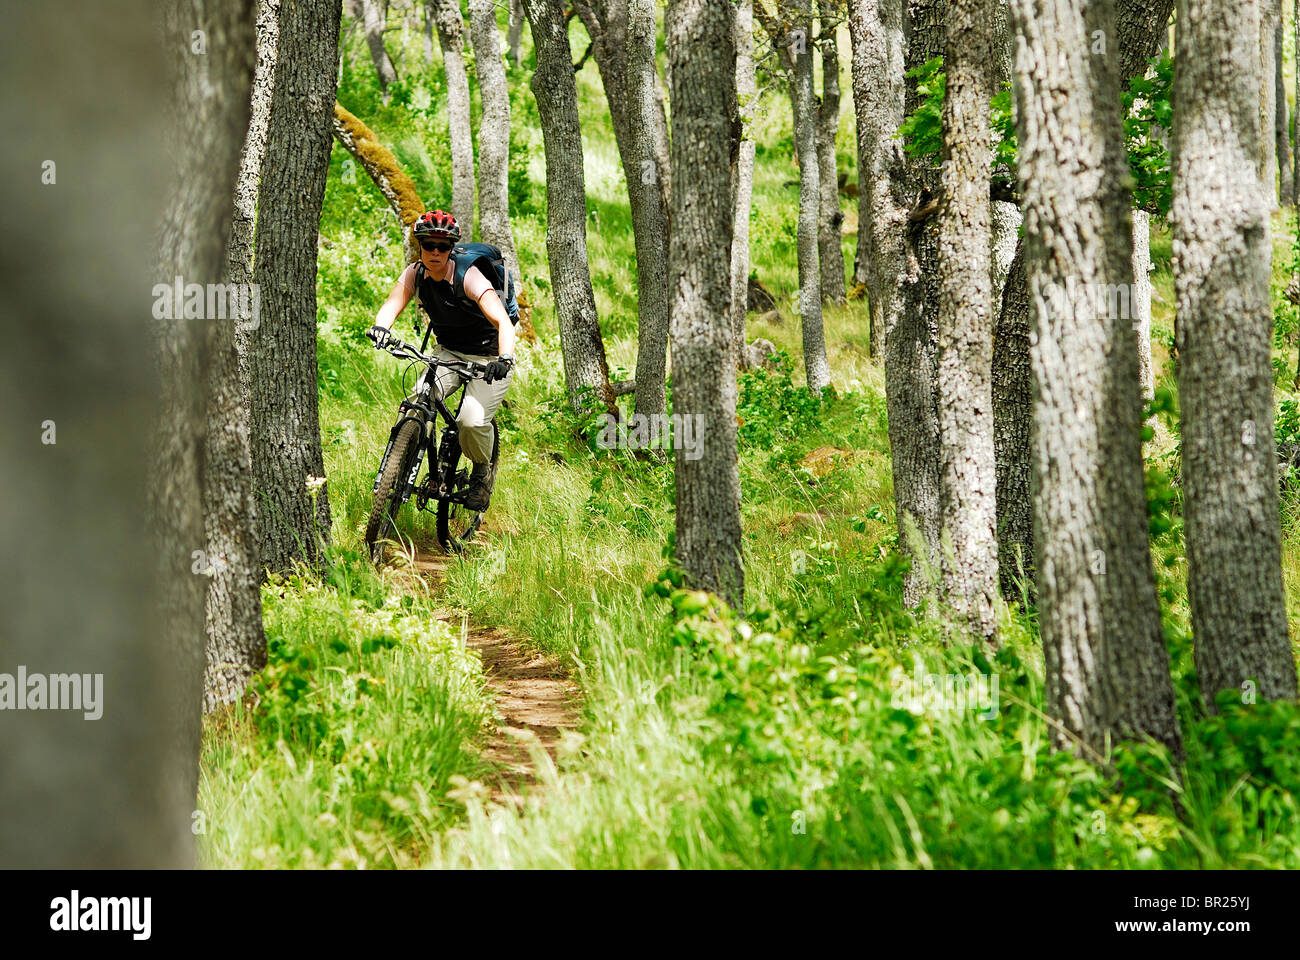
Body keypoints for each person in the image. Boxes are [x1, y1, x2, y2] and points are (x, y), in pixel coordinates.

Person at [367, 210, 515, 511]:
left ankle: (481, 473)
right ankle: (394, 469)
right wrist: (381, 328)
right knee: (419, 399)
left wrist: (505, 358)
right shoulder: (416, 273)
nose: (435, 252)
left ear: (451, 249)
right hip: (448, 353)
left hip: (487, 358)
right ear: (419, 246)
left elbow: (503, 322)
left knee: (470, 421)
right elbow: (393, 303)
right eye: (428, 245)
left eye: (443, 247)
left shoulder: (469, 276)